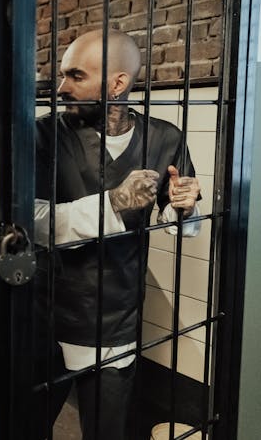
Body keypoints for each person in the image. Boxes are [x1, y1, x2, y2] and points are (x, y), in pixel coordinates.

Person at [32, 29, 202, 440]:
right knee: (26, 425)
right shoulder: (42, 135)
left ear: (118, 83)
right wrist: (112, 204)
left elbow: (181, 222)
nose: (61, 87)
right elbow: (29, 222)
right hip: (46, 310)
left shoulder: (165, 139)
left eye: (75, 76)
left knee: (107, 430)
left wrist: (186, 207)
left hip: (115, 317)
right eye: (62, 76)